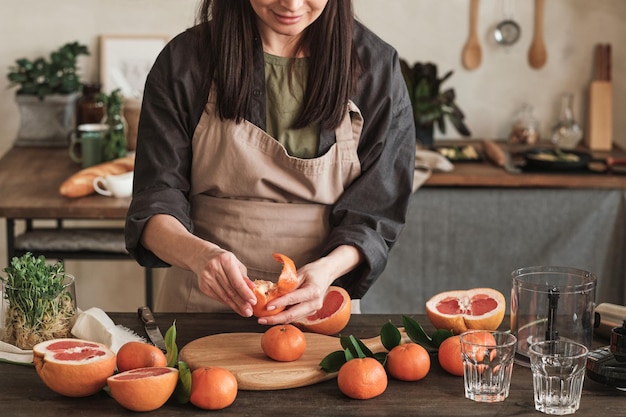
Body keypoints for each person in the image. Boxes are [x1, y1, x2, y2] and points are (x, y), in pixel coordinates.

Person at [125, 0, 415, 325]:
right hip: (199, 303)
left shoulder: (376, 67)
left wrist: (327, 270)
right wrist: (199, 255)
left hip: (318, 306)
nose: (291, 4)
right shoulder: (185, 60)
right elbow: (154, 203)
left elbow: (376, 213)